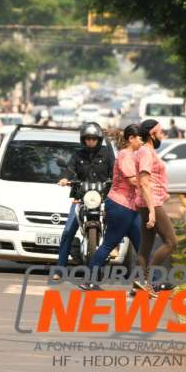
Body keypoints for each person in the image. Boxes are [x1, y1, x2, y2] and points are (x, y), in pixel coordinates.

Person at [80, 125, 143, 291]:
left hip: (130, 207)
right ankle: (90, 280)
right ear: (131, 139)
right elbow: (133, 180)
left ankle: (152, 282)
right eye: (140, 138)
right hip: (120, 206)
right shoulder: (125, 156)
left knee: (142, 245)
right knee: (109, 244)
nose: (142, 142)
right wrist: (151, 183)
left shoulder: (132, 155)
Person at [53, 122, 115, 280]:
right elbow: (70, 169)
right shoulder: (78, 155)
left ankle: (115, 247)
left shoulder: (107, 154)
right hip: (81, 198)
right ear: (83, 139)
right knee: (68, 231)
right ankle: (60, 269)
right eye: (88, 139)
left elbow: (115, 171)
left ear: (99, 139)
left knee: (117, 223)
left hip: (103, 198)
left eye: (94, 139)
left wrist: (116, 181)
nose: (91, 142)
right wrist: (65, 178)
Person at [135, 119, 175, 296]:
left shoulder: (148, 151)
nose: (162, 135)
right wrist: (152, 210)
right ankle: (148, 280)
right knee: (171, 241)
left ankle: (140, 282)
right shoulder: (145, 152)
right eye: (160, 132)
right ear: (152, 134)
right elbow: (144, 182)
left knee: (146, 245)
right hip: (152, 202)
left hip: (150, 201)